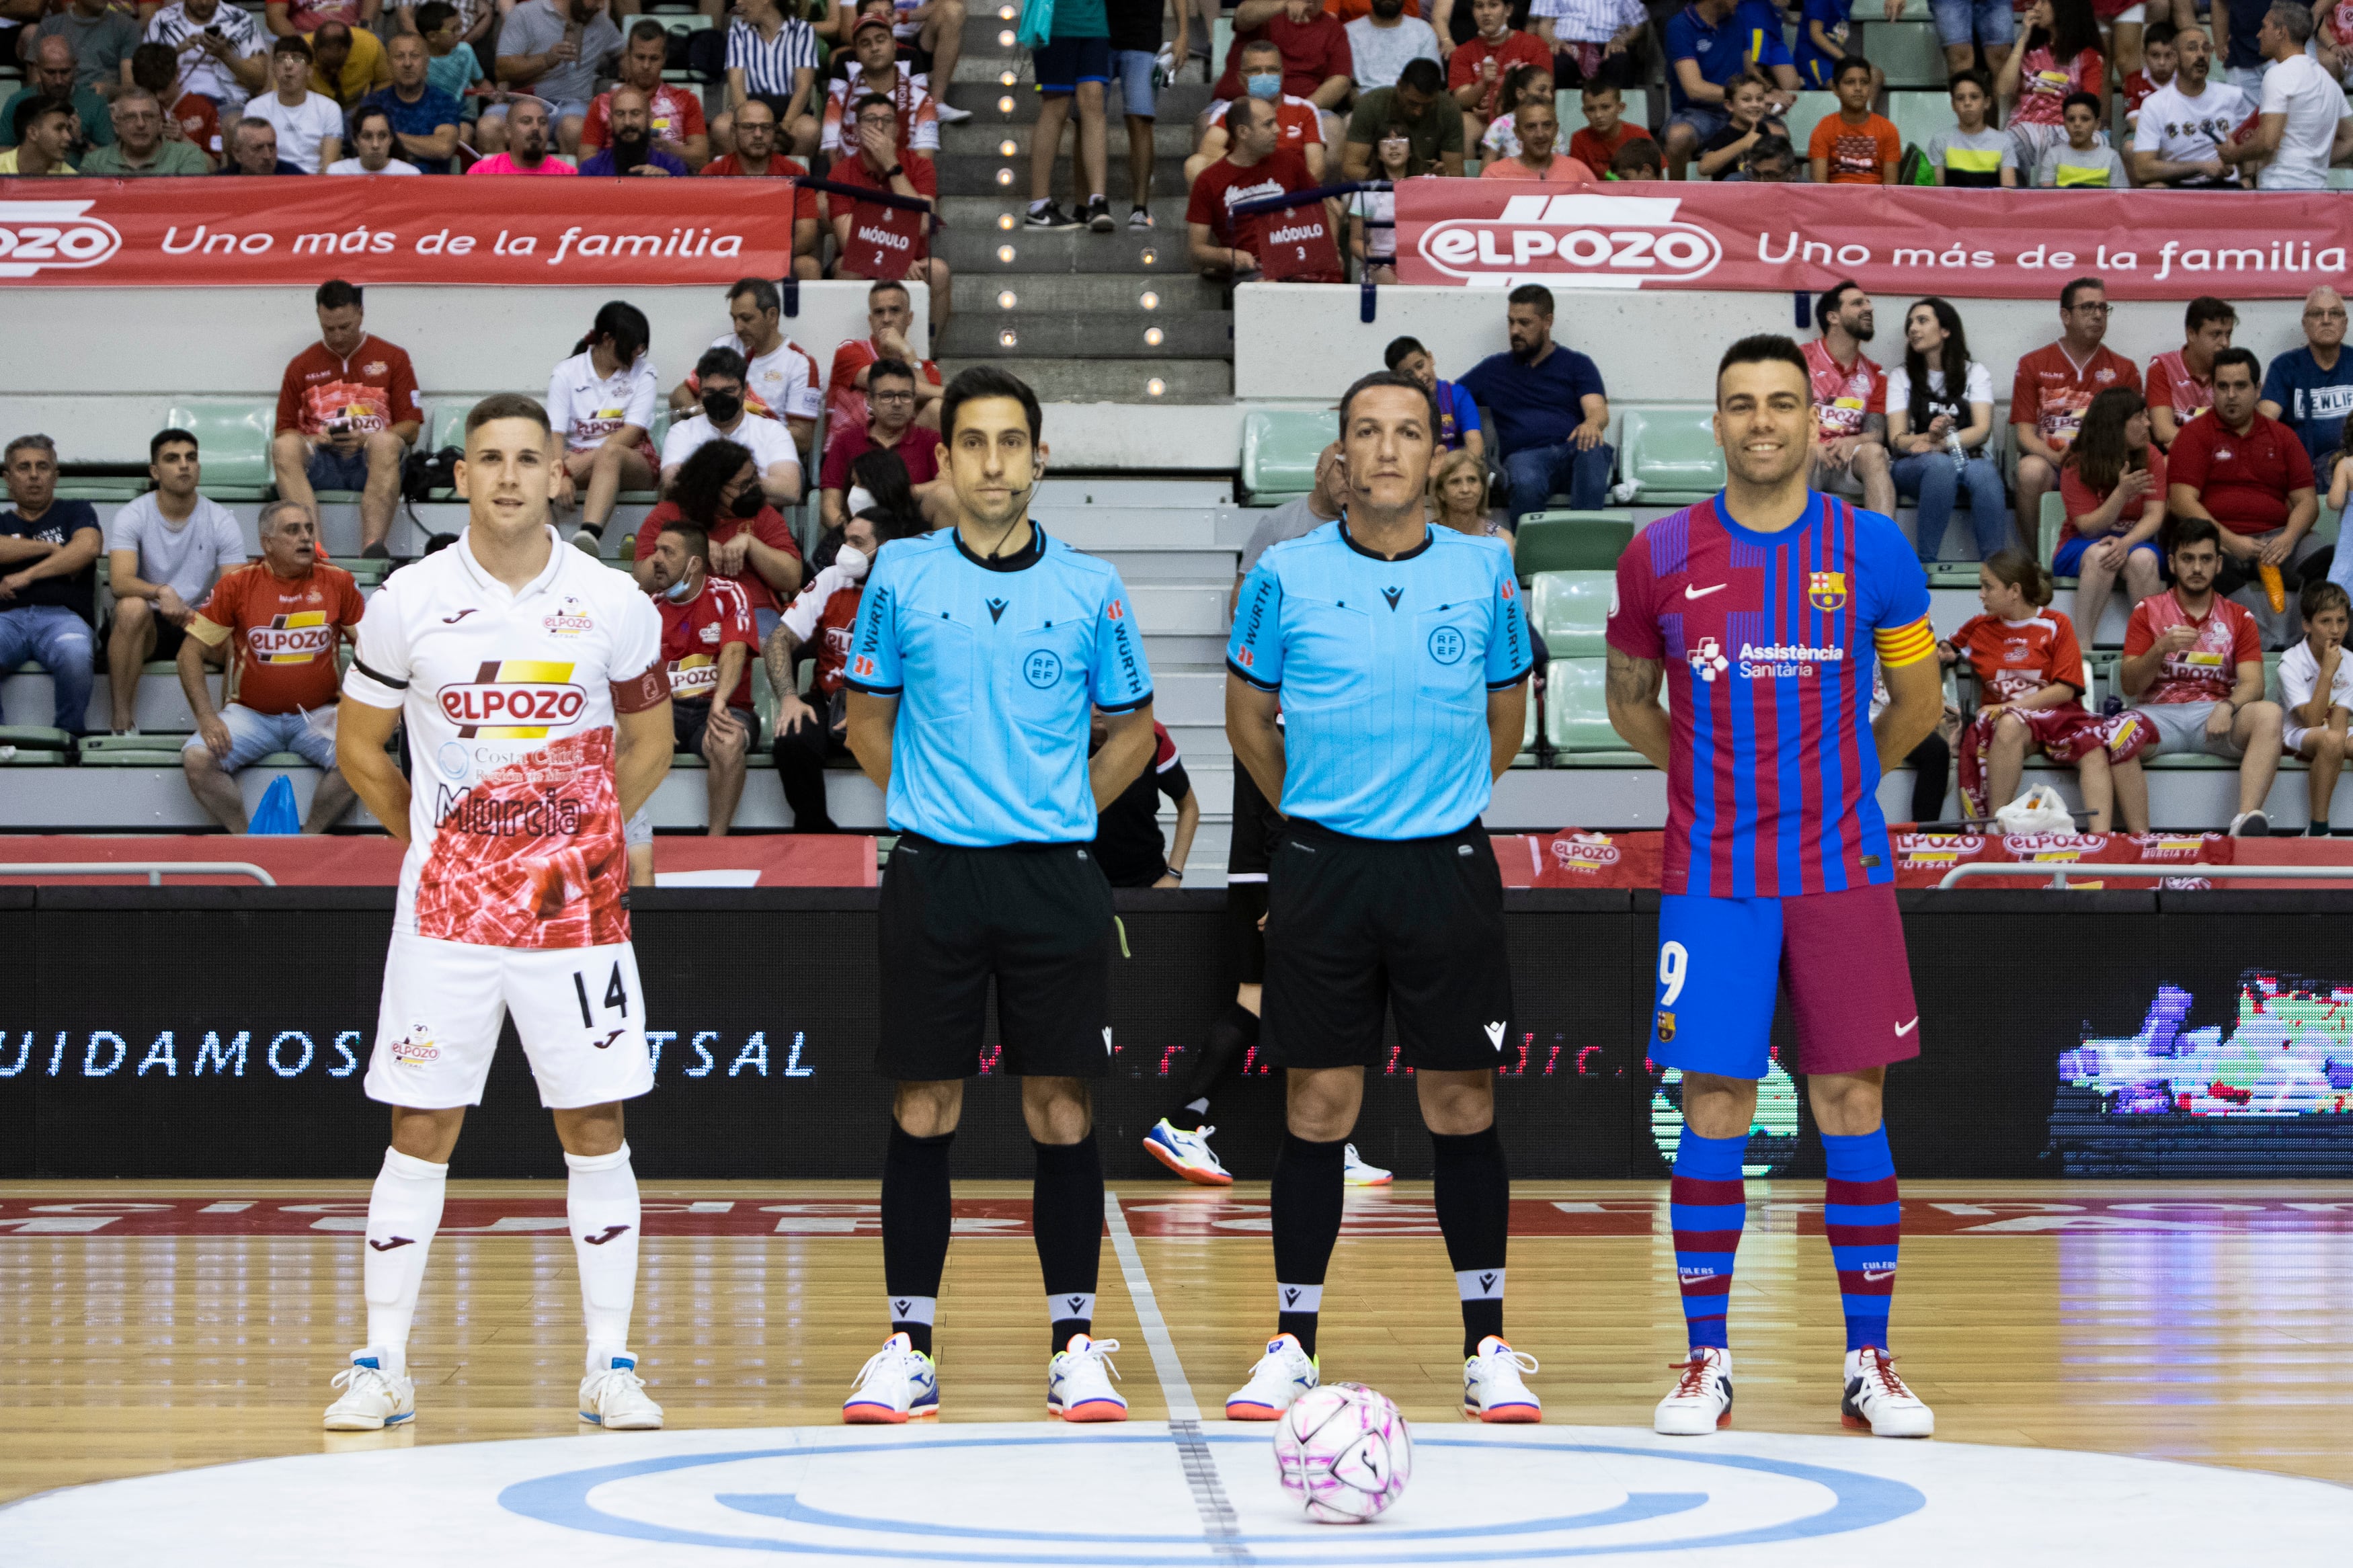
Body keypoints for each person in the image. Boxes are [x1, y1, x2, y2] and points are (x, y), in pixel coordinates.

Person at [1605, 333, 1942, 1443]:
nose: (1762, 421)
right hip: (1714, 877)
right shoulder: (1657, 554)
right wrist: (1710, 777)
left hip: (1842, 870)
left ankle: (1869, 1361)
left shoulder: (1874, 549)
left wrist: (1840, 779)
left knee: (1854, 1105)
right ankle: (1707, 1362)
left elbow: (1919, 708)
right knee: (1715, 1106)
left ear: (1815, 420)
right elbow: (1630, 699)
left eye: (1783, 403)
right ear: (1716, 422)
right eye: (1741, 403)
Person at [327, 393, 674, 1435]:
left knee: (595, 1122)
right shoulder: (407, 599)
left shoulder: (613, 601)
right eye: (491, 459)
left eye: (531, 458)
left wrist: (581, 851)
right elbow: (359, 747)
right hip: (449, 916)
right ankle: (381, 1365)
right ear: (464, 476)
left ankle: (610, 1365)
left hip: (576, 916)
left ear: (560, 475)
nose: (513, 477)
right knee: (421, 1125)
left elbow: (651, 742)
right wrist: (443, 852)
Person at [836, 366, 1156, 1426]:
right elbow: (867, 719)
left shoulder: (1092, 585)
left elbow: (1137, 733)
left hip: (1053, 877)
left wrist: (1058, 804)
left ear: (1039, 458)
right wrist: (936, 802)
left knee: (1060, 1110)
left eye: (1011, 442)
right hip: (935, 871)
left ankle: (1074, 1345)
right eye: (972, 442)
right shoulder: (900, 577)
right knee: (923, 1105)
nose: (992, 462)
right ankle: (907, 1346)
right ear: (945, 459)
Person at [1220, 368, 1535, 1425]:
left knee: (1463, 1104)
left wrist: (1433, 807)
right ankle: (1293, 1344)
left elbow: (1504, 718)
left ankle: (1486, 1343)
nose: (1390, 450)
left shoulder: (1487, 571)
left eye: (1410, 432)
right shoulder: (1283, 575)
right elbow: (1248, 722)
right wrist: (1319, 819)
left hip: (1443, 866)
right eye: (1369, 431)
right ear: (1341, 455)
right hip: (1323, 869)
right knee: (1319, 1106)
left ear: (1438, 453)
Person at [177, 502, 364, 834]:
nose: (305, 537)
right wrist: (206, 718)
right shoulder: (238, 585)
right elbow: (189, 654)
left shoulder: (339, 582)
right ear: (267, 543)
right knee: (197, 759)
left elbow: (373, 650)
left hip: (319, 714)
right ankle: (246, 841)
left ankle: (308, 840)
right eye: (292, 531)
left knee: (362, 758)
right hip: (251, 715)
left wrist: (359, 708)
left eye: (308, 528)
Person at [1938, 550, 2149, 831]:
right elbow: (1947, 649)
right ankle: (1996, 829)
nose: (1981, 594)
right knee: (2010, 724)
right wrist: (1943, 653)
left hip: (2057, 717)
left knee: (2094, 748)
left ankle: (2102, 841)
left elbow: (2064, 690)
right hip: (2011, 727)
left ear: (2014, 591)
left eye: (1988, 586)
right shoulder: (1978, 628)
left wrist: (2009, 705)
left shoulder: (2056, 624)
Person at [2117, 517, 2284, 835]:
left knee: (2270, 714)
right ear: (2172, 563)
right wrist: (2159, 649)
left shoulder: (2239, 616)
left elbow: (2254, 684)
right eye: (2188, 558)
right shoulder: (2147, 610)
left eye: (2206, 559)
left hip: (2215, 719)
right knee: (2116, 731)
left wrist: (2227, 707)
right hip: (2158, 716)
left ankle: (2245, 821)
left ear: (2219, 564)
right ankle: (2140, 839)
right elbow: (2130, 684)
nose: (2197, 568)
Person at [766, 507, 916, 832]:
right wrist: (790, 698)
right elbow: (778, 640)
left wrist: (873, 715)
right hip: (829, 699)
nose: (843, 550)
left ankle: (913, 828)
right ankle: (815, 831)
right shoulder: (831, 578)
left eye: (856, 542)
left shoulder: (912, 591)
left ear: (886, 548)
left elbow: (923, 668)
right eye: (845, 540)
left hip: (889, 705)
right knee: (792, 738)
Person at [2169, 346, 2323, 647]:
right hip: (2220, 538)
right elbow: (2181, 501)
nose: (2231, 395)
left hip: (2278, 540)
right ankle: (2263, 642)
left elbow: (2307, 502)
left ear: (2258, 389)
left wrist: (2289, 537)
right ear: (2212, 389)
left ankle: (2306, 640)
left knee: (2322, 554)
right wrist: (2230, 541)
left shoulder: (2283, 437)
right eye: (2222, 386)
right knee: (2203, 559)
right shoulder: (2194, 435)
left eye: (2240, 386)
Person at [104, 431, 245, 737]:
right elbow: (120, 582)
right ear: (155, 472)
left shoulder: (221, 520)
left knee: (241, 634)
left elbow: (235, 592)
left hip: (200, 622)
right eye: (173, 459)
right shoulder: (134, 514)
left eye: (191, 458)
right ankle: (121, 723)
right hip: (150, 623)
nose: (184, 466)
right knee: (130, 608)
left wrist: (200, 616)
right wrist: (161, 591)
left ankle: (230, 726)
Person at [272, 279, 423, 561]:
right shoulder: (301, 365)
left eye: (345, 327)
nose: (338, 336)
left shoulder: (393, 358)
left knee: (385, 443)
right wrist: (314, 440)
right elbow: (284, 432)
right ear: (319, 317)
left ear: (360, 314)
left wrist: (367, 438)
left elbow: (411, 428)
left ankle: (373, 547)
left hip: (373, 461)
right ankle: (314, 550)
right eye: (329, 329)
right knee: (284, 448)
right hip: (322, 461)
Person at [642, 519, 758, 837]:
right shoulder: (650, 606)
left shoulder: (730, 593)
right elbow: (638, 672)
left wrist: (719, 702)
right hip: (671, 709)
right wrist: (653, 719)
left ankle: (715, 844)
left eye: (667, 552)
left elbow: (734, 652)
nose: (656, 559)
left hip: (723, 705)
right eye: (656, 550)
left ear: (694, 563)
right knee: (616, 736)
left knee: (728, 740)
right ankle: (620, 835)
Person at [1459, 286, 1612, 524]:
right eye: (1511, 322)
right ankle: (1527, 556)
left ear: (1547, 322)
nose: (1515, 331)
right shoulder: (1493, 370)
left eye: (1524, 323)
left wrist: (1592, 423)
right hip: (1526, 457)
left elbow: (1597, 410)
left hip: (1571, 451)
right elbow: (1449, 399)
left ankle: (1583, 543)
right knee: (1526, 480)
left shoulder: (1576, 364)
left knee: (1594, 449)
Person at [2012, 276, 2141, 543]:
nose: (2097, 315)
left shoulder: (2125, 369)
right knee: (2029, 471)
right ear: (2066, 316)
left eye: (2103, 309)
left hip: (2103, 465)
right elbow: (2024, 436)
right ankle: (2039, 563)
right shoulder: (2032, 364)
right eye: (2088, 308)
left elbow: (2133, 434)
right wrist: (2058, 458)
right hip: (2052, 461)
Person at [1886, 298, 2007, 564]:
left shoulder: (1974, 372)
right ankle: (1926, 564)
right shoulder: (1901, 376)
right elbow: (1897, 439)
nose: (1913, 329)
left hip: (1962, 458)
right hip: (1914, 466)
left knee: (1985, 472)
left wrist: (1940, 443)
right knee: (1940, 467)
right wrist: (1928, 439)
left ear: (1946, 330)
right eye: (1910, 323)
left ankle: (1998, 570)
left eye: (1922, 321)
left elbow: (1982, 429)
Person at [828, 94, 952, 337]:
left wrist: (891, 165)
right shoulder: (840, 173)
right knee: (846, 267)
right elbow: (849, 241)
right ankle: (849, 345)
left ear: (898, 129)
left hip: (914, 262)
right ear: (857, 128)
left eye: (887, 120)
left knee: (938, 271)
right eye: (871, 120)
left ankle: (929, 355)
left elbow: (923, 223)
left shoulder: (920, 166)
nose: (879, 126)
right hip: (861, 262)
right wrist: (895, 262)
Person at [0, 434, 100, 734]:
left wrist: (25, 575)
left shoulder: (77, 511)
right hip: (7, 619)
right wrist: (51, 548)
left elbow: (87, 548)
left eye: (42, 467)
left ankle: (68, 737)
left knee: (76, 654)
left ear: (55, 476)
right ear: (7, 478)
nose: (34, 475)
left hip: (63, 618)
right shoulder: (3, 521)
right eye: (23, 467)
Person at [673, 278, 824, 472]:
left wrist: (741, 427)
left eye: (746, 319)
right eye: (734, 318)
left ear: (772, 315)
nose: (738, 328)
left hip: (771, 457)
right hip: (715, 448)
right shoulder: (724, 346)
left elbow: (803, 440)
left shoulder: (799, 363)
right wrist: (701, 412)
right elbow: (679, 395)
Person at [2057, 385, 2167, 643]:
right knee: (2101, 554)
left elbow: (2154, 515)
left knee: (2144, 560)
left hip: (2135, 540)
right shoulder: (2077, 461)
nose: (2148, 423)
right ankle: (2082, 649)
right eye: (2139, 417)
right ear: (2116, 424)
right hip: (2079, 545)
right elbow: (2088, 528)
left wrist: (2126, 542)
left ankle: (2149, 650)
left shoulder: (2151, 455)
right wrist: (2121, 494)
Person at [547, 301, 659, 556]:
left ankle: (589, 536)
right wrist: (560, 474)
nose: (636, 355)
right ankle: (551, 549)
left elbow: (632, 432)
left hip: (632, 459)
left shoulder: (645, 373)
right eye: (632, 347)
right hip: (576, 460)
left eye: (641, 349)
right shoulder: (566, 373)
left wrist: (578, 464)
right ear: (607, 339)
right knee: (539, 474)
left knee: (611, 454)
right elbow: (555, 432)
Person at [2218, 3, 2353, 188]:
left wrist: (2233, 154)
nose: (2259, 34)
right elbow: (2350, 138)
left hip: (2280, 190)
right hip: (2317, 192)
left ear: (2281, 33)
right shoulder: (2328, 81)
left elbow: (2268, 142)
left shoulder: (2278, 75)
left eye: (2265, 27)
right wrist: (2312, 164)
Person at [1662, 0, 1800, 180]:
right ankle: (1678, 197)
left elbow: (1750, 70)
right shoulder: (1680, 26)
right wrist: (1746, 99)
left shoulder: (1738, 19)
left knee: (1779, 134)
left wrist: (1771, 93)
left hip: (1740, 109)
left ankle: (1772, 197)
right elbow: (1694, 88)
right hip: (1700, 112)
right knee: (1678, 137)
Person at [1187, 93, 1317, 278]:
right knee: (1267, 286)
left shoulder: (1290, 162)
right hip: (1253, 271)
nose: (1278, 130)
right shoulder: (1208, 181)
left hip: (1297, 260)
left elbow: (1318, 208)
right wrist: (1228, 256)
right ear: (1243, 132)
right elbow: (1197, 250)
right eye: (1268, 124)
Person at [662, 347, 803, 507]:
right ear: (700, 391)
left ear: (745, 389)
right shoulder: (681, 432)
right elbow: (672, 484)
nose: (719, 398)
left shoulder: (773, 431)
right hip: (699, 523)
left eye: (728, 390)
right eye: (710, 391)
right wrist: (745, 484)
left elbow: (790, 490)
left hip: (755, 523)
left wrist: (713, 481)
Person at [700, 101, 824, 280]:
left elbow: (806, 236)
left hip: (778, 255)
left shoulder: (796, 173)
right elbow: (702, 232)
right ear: (734, 132)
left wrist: (765, 254)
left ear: (774, 132)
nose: (758, 135)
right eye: (749, 127)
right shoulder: (712, 174)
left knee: (808, 266)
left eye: (766, 128)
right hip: (726, 254)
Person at [1804, 282, 1897, 518]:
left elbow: (1876, 434)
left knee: (1874, 452)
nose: (1869, 309)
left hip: (1847, 462)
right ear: (1833, 317)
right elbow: (1780, 416)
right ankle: (1785, 546)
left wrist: (1851, 442)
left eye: (1868, 302)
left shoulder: (1876, 375)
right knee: (1805, 453)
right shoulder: (1798, 361)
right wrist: (1814, 445)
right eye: (1858, 303)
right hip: (1807, 456)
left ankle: (1885, 548)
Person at [1023, 0, 1115, 231]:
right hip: (1054, 21)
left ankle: (1098, 200)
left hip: (1094, 21)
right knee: (1056, 106)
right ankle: (1038, 205)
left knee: (1094, 102)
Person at [820, 358, 941, 530]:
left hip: (915, 541)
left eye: (905, 396)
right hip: (859, 541)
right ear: (869, 400)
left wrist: (901, 492)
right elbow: (829, 507)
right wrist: (852, 536)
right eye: (887, 396)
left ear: (914, 399)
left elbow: (948, 486)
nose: (897, 403)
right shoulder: (845, 441)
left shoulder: (931, 440)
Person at [2126, 24, 2252, 188]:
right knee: (2155, 187)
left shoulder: (2233, 96)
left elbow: (2251, 146)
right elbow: (2143, 169)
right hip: (2178, 187)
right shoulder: (2155, 104)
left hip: (2225, 185)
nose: (2201, 55)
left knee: (2247, 185)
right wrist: (2201, 167)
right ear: (2174, 57)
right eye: (2192, 48)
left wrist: (2248, 173)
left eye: (2206, 48)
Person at [1189, 38, 1329, 183]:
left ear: (1282, 75)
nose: (1265, 76)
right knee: (1195, 164)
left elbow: (1316, 170)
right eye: (1255, 71)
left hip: (1292, 192)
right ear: (1241, 79)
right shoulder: (1228, 111)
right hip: (1244, 189)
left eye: (1272, 70)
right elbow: (1210, 154)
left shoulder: (1305, 109)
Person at [493, 0, 623, 157]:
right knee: (490, 127)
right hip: (523, 102)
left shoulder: (601, 23)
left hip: (573, 105)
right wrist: (546, 60)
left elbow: (627, 56)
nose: (602, 6)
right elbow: (502, 70)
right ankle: (503, 180)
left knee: (574, 128)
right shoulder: (525, 14)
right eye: (597, 0)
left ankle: (570, 181)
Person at [580, 18, 710, 169]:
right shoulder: (602, 104)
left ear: (664, 59)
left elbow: (702, 160)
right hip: (614, 182)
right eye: (640, 57)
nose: (646, 66)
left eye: (654, 58)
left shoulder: (686, 100)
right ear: (627, 56)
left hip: (669, 183)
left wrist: (670, 149)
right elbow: (585, 161)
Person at [1090, 716, 1199, 887]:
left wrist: (1174, 874)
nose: (1097, 705)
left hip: (1146, 881)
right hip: (1081, 884)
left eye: (1105, 695)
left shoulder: (1152, 735)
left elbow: (1189, 808)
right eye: (1090, 695)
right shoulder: (1062, 739)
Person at [2280, 577, 2353, 832]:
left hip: (2335, 729)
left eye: (2341, 621)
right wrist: (2327, 673)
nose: (2335, 630)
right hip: (2297, 733)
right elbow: (2311, 720)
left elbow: (2340, 719)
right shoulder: (2291, 661)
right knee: (2332, 741)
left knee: (2335, 740)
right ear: (2307, 625)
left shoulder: (2350, 660)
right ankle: (2318, 828)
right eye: (2325, 621)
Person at [1997, 0, 2104, 171]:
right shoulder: (2029, 49)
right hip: (2026, 124)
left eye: (2044, 2)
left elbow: (2089, 104)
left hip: (2068, 127)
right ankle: (2014, 197)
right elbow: (2003, 89)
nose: (2036, 7)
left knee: (2098, 144)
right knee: (2009, 143)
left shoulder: (2089, 57)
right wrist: (2024, 37)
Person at [1209, 0, 1354, 124]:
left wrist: (1302, 110)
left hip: (1302, 109)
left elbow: (1339, 81)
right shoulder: (1266, 10)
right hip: (1237, 104)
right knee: (1209, 121)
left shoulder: (1334, 29)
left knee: (1332, 126)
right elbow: (1243, 16)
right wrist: (1284, 3)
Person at [830, 280, 945, 434]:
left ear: (909, 318)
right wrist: (950, 393)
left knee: (937, 408)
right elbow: (885, 383)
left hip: (900, 452)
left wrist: (908, 351)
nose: (886, 319)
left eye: (895, 311)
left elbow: (929, 406)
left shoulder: (927, 368)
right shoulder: (850, 350)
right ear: (871, 321)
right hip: (849, 450)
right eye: (879, 312)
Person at [2260, 287, 2353, 477]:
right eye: (2318, 314)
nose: (2326, 320)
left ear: (2345, 323)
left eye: (2335, 313)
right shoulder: (2285, 366)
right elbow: (2264, 424)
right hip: (2301, 477)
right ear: (2305, 324)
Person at [1107, 0, 1183, 229]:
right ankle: (1084, 207)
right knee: (1085, 120)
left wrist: (1184, 34)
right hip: (1097, 32)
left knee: (1140, 119)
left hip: (1143, 36)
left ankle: (1140, 208)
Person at [823, 13, 937, 163]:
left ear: (894, 45)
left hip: (903, 182)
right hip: (851, 184)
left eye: (881, 40)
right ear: (856, 53)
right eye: (865, 43)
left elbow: (923, 167)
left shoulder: (923, 101)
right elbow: (835, 168)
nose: (874, 48)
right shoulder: (838, 100)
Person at [713, 0, 820, 159]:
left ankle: (787, 181)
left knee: (809, 130)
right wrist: (749, 125)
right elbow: (736, 85)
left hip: (791, 113)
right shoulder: (738, 31)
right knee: (721, 127)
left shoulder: (803, 31)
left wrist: (784, 127)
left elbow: (803, 88)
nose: (738, 2)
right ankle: (743, 182)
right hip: (750, 108)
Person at [357, 30, 461, 173]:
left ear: (426, 62)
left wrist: (389, 137)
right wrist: (422, 149)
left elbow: (443, 148)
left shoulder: (443, 102)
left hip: (432, 186)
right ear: (389, 64)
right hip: (383, 183)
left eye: (415, 56)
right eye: (400, 57)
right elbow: (363, 148)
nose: (407, 63)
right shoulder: (374, 102)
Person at [1342, 57, 1464, 178]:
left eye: (1428, 105)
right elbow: (1351, 167)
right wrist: (1398, 182)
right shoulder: (1371, 105)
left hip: (1426, 189)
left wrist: (1442, 176)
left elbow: (1455, 174)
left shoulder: (1449, 109)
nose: (1418, 112)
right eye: (1413, 103)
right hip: (1376, 188)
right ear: (1399, 86)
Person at [141, 0, 269, 112]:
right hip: (173, 104)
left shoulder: (241, 19)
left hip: (227, 105)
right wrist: (177, 50)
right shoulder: (162, 20)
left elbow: (259, 80)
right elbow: (143, 75)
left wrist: (225, 55)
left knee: (233, 124)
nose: (204, 3)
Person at [1451, 0, 1547, 142]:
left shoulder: (1535, 46)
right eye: (1479, 6)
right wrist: (1482, 85)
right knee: (1464, 125)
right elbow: (1461, 100)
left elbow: (1542, 93)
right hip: (1480, 121)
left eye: (1493, 5)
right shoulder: (1462, 52)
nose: (1486, 13)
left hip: (1521, 116)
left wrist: (1498, 105)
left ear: (1508, 10)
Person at [2147, 296, 2237, 448]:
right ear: (2191, 334)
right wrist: (2208, 448)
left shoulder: (2234, 369)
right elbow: (2163, 431)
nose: (2225, 343)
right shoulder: (2163, 367)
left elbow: (2241, 429)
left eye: (2228, 334)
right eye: (2216, 335)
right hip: (2184, 458)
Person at [0, 36, 109, 158]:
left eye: (65, 72)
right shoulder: (18, 101)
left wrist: (79, 142)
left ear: (75, 66)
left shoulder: (96, 104)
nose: (59, 81)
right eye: (50, 72)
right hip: (31, 175)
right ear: (37, 67)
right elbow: (4, 152)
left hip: (81, 175)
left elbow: (109, 162)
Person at [249, 35, 341, 171]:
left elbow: (328, 168)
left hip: (313, 184)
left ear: (309, 70)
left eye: (297, 59)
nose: (288, 65)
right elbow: (253, 163)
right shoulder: (255, 108)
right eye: (281, 59)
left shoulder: (329, 109)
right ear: (274, 69)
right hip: (270, 183)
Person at [1386, 337, 1484, 458]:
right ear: (1398, 378)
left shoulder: (1458, 395)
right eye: (1408, 374)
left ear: (1430, 358)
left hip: (1456, 469)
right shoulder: (1396, 407)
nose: (1419, 376)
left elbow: (1474, 442)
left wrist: (1461, 470)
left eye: (1420, 366)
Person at [129, 39, 224, 163]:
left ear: (177, 73)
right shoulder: (134, 111)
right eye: (151, 90)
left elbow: (215, 168)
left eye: (163, 88)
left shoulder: (204, 108)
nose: (159, 97)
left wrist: (183, 139)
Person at [1808, 55, 1900, 183]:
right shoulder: (1824, 128)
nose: (1858, 88)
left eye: (1864, 82)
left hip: (1875, 202)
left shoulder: (1888, 130)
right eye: (1850, 82)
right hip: (1834, 202)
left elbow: (1891, 189)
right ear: (1835, 89)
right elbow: (1819, 186)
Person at [30, 0, 139, 99]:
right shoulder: (50, 27)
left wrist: (111, 90)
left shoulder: (127, 26)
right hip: (58, 103)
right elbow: (36, 85)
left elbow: (131, 87)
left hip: (107, 105)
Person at [1533, 0, 1650, 89]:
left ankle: (1620, 117)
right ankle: (1560, 116)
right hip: (1567, 43)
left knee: (1620, 60)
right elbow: (1544, 26)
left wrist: (1622, 40)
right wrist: (1555, 41)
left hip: (1608, 43)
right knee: (1558, 63)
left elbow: (1638, 25)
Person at [1479, 93, 1597, 180]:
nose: (1540, 134)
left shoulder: (1578, 173)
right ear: (1518, 133)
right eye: (1531, 127)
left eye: (1547, 125)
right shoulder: (1495, 176)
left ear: (1556, 129)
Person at [1696, 68, 1786, 179]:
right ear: (1730, 106)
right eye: (1747, 100)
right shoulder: (1725, 134)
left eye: (1760, 99)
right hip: (1729, 193)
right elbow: (1704, 168)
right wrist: (1744, 143)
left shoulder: (1764, 130)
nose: (1755, 104)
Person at [578, 85, 690, 174]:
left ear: (650, 119)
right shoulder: (592, 169)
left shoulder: (673, 166)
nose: (628, 122)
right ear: (610, 121)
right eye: (620, 114)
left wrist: (666, 185)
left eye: (635, 114)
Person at [2034, 89, 2129, 184]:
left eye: (2085, 119)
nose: (2077, 124)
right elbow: (2046, 196)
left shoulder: (2111, 157)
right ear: (2065, 124)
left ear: (2097, 124)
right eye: (2071, 119)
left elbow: (2120, 197)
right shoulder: (2053, 155)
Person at [464, 93, 575, 173]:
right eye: (526, 121)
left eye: (543, 122)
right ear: (508, 131)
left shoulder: (567, 174)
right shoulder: (483, 172)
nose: (536, 128)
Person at [1346, 0, 1441, 90]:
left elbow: (1431, 81)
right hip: (1363, 102)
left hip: (1411, 101)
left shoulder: (1424, 31)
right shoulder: (1348, 33)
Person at [1567, 79, 1654, 171]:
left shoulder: (1639, 136)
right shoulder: (1579, 140)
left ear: (1621, 108)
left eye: (1605, 107)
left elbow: (1657, 177)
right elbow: (1577, 180)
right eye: (1591, 109)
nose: (1598, 115)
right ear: (1584, 112)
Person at [306, 21, 389, 114]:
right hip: (315, 107)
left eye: (338, 64)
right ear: (313, 46)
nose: (333, 71)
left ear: (351, 46)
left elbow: (385, 81)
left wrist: (370, 102)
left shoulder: (371, 46)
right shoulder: (301, 53)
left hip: (359, 102)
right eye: (327, 64)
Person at [1476, 63, 1552, 159]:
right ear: (1521, 94)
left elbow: (1562, 166)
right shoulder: (1500, 126)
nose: (1549, 96)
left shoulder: (1551, 125)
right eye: (1542, 90)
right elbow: (1486, 172)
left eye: (1551, 90)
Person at [1430, 446, 1505, 542]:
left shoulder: (1501, 539)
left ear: (1482, 487)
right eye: (1455, 482)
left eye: (1472, 480)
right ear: (1441, 492)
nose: (1465, 489)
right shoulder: (1426, 538)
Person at [328, 103, 422, 172]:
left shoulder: (409, 174)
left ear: (391, 139)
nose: (375, 145)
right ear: (355, 141)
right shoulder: (338, 172)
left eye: (382, 136)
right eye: (367, 136)